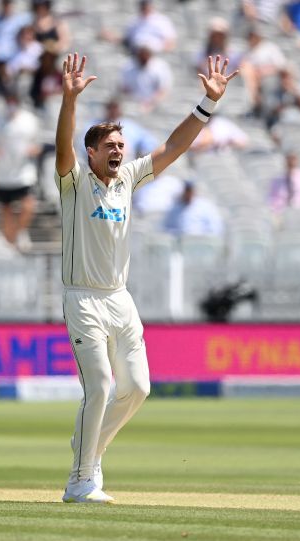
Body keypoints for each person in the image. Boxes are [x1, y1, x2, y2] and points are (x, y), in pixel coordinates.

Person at [54, 52, 237, 503]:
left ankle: (87, 448)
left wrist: (207, 104)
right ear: (91, 153)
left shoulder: (128, 179)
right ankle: (80, 480)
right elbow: (62, 148)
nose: (119, 151)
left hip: (120, 298)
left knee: (137, 388)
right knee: (98, 387)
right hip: (83, 299)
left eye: (121, 145)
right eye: (110, 146)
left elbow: (174, 146)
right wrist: (69, 100)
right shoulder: (75, 182)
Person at [0, 91, 41, 250]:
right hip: (2, 174)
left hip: (23, 172)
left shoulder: (30, 120)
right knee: (6, 211)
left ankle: (18, 232)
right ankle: (10, 243)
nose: (11, 104)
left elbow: (38, 143)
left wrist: (33, 150)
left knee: (29, 205)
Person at [119, 38, 173, 112]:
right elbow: (124, 89)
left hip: (154, 105)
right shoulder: (128, 66)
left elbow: (163, 90)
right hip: (133, 105)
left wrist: (150, 103)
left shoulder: (160, 67)